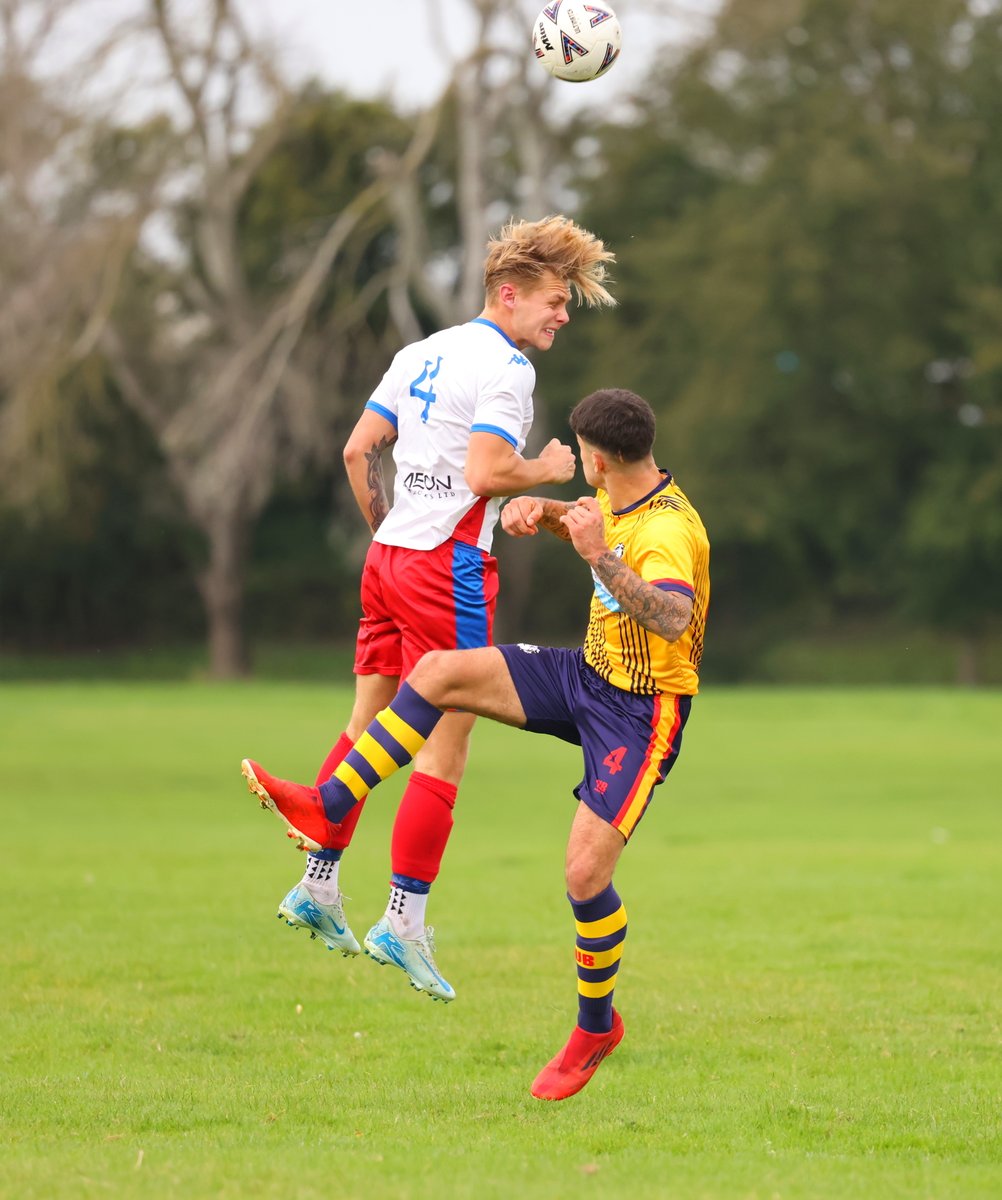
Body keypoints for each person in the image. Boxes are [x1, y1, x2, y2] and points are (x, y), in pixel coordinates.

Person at [243, 387, 710, 1100]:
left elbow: (672, 617)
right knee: (435, 672)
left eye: (580, 453)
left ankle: (595, 1028)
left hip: (641, 716)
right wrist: (545, 514)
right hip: (585, 676)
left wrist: (597, 556)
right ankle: (328, 804)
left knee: (584, 876)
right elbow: (591, 525)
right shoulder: (622, 492)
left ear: (600, 456)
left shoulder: (671, 529)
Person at [246, 216, 616, 1004]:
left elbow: (358, 450)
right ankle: (402, 921)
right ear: (509, 295)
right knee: (445, 745)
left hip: (385, 562)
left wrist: (388, 537)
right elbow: (486, 472)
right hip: (447, 568)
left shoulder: (422, 351)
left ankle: (317, 884)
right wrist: (545, 468)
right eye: (555, 300)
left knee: (365, 726)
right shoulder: (507, 370)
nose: (562, 315)